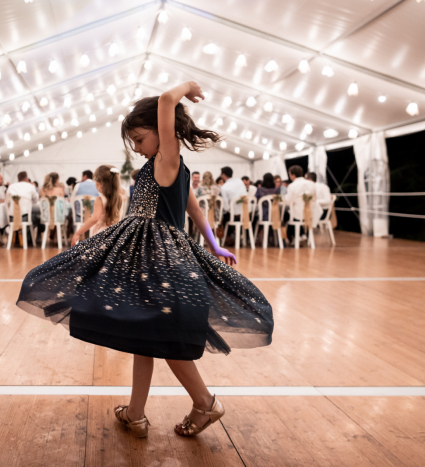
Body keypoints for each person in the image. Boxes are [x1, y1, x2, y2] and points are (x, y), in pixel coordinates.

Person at [16, 81, 273, 439]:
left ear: (160, 130)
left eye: (139, 139)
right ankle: (137, 412)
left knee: (162, 335)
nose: (136, 149)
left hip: (157, 255)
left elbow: (167, 99)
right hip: (151, 252)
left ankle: (204, 402)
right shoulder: (172, 167)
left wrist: (188, 88)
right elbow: (193, 206)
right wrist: (213, 243)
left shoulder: (168, 158)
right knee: (145, 332)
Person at [71, 165, 127, 242]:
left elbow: (94, 218)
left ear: (99, 183)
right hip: (115, 235)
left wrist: (78, 232)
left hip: (100, 236)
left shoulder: (100, 199)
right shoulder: (121, 198)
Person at [283, 165, 317, 242]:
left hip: (297, 215)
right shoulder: (311, 184)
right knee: (291, 214)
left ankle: (292, 238)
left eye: (290, 175)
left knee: (284, 216)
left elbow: (288, 202)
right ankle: (304, 235)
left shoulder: (292, 186)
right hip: (310, 213)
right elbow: (314, 199)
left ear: (293, 175)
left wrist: (283, 197)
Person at [6, 172, 40, 237]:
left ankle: (16, 235)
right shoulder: (31, 187)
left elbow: (7, 200)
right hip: (25, 218)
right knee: (35, 218)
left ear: (18, 179)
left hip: (11, 217)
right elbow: (36, 200)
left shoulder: (11, 186)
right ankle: (26, 237)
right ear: (27, 179)